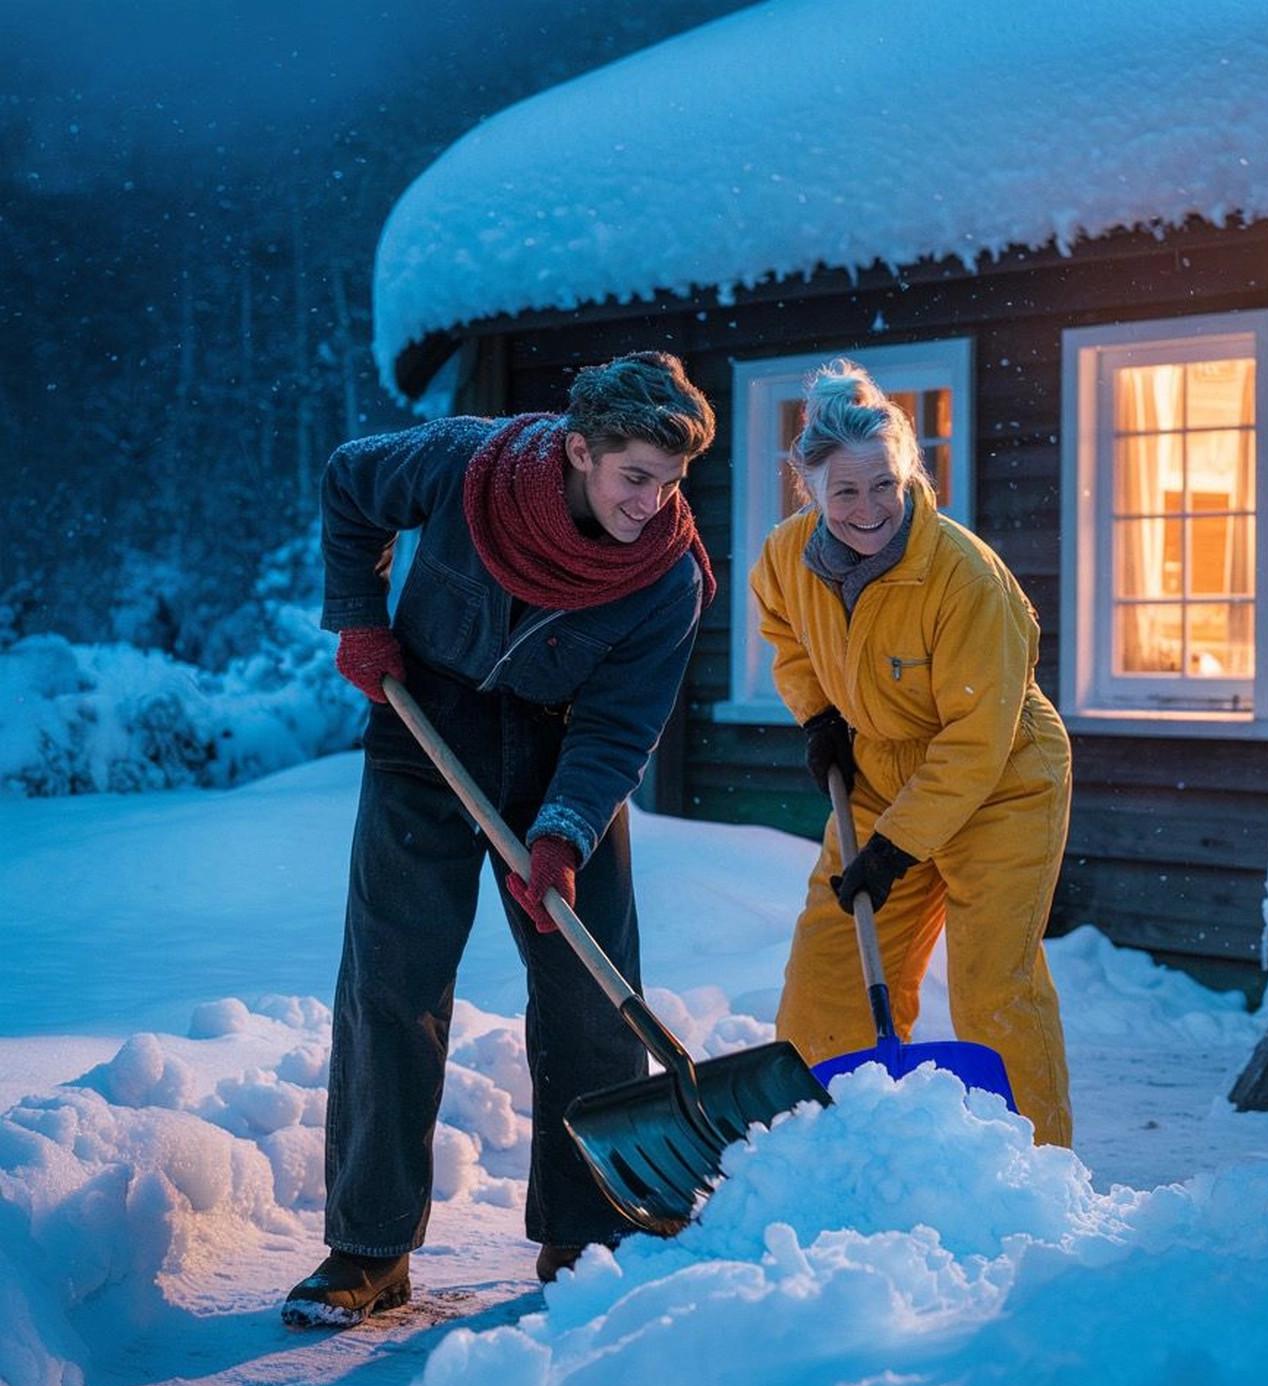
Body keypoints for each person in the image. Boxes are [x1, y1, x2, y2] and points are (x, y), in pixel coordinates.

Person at [282, 351, 717, 1327]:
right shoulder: (466, 465)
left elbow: (620, 728)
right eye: (633, 476)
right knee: (393, 978)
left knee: (591, 989)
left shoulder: (667, 580)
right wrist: (360, 616)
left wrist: (563, 832)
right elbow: (353, 480)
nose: (652, 502)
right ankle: (368, 1248)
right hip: (426, 717)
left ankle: (590, 1231)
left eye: (671, 481)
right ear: (578, 451)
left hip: (565, 751)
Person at [749, 359, 1073, 1147]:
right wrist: (819, 716)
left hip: (1000, 781)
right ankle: (826, 1151)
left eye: (884, 485)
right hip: (875, 768)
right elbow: (785, 633)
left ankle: (1034, 1169)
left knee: (994, 984)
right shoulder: (788, 558)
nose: (870, 510)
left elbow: (974, 740)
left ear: (910, 474)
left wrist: (896, 846)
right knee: (831, 974)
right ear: (812, 494)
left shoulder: (962, 578)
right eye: (846, 493)